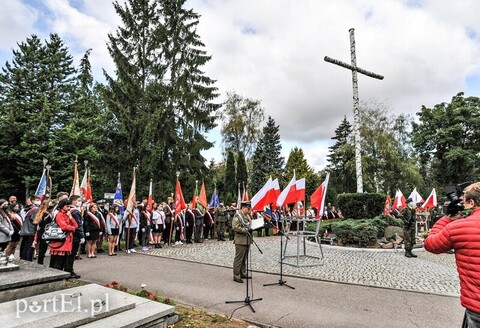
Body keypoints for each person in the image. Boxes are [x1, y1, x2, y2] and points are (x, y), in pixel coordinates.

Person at [424, 182, 480, 327]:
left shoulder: (459, 227)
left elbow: (430, 244)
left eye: (464, 200)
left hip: (477, 308)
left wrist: (448, 218)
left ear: (472, 202)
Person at [49, 199, 78, 271]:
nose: (69, 208)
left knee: (63, 261)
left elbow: (76, 225)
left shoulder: (67, 214)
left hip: (67, 240)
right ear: (62, 206)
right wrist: (73, 228)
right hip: (61, 240)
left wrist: (70, 217)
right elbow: (63, 226)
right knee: (58, 262)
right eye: (67, 206)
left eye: (69, 206)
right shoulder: (59, 215)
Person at [231, 201, 253, 283]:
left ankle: (243, 273)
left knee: (244, 259)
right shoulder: (237, 216)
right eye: (248, 208)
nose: (249, 210)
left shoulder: (247, 216)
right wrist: (246, 230)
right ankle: (236, 275)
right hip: (240, 240)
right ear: (243, 207)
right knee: (239, 259)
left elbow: (248, 224)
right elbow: (235, 227)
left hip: (247, 240)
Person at [64, 195, 84, 278]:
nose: (80, 202)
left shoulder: (68, 210)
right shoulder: (75, 212)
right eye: (78, 200)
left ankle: (67, 269)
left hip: (69, 235)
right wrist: (82, 236)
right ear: (74, 201)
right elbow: (78, 225)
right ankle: (69, 271)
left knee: (69, 254)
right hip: (75, 236)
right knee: (72, 255)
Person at [19, 195, 40, 261]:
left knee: (25, 246)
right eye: (37, 200)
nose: (39, 201)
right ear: (32, 200)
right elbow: (35, 220)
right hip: (31, 230)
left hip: (24, 230)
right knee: (30, 247)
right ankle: (28, 260)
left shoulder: (24, 209)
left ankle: (23, 258)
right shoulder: (35, 209)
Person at [32, 200, 53, 265]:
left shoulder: (40, 212)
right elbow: (47, 224)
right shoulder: (46, 214)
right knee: (43, 248)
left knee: (41, 247)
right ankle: (40, 262)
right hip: (44, 232)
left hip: (40, 231)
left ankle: (39, 261)